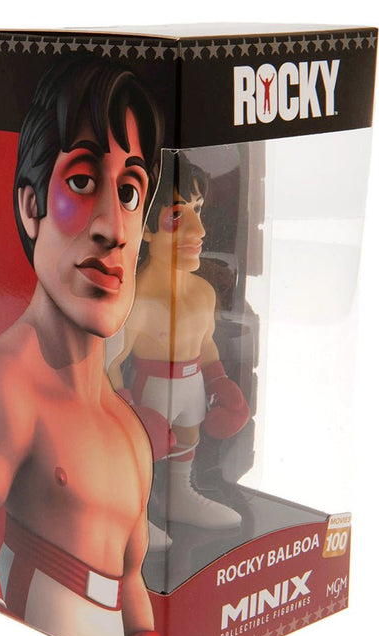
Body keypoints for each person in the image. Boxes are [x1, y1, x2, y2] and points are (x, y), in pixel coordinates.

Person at [0, 54, 166, 636]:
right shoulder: (5, 383)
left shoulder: (130, 433)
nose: (113, 228)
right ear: (30, 206)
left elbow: (134, 592)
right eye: (83, 181)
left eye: (130, 192)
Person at [108, 151, 249, 531]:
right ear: (145, 227)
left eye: (198, 210)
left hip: (192, 387)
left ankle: (178, 495)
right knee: (144, 452)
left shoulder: (204, 292)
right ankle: (133, 515)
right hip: (152, 390)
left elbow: (206, 346)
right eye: (176, 216)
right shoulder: (136, 300)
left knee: (188, 436)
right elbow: (109, 363)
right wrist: (131, 413)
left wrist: (220, 383)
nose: (199, 231)